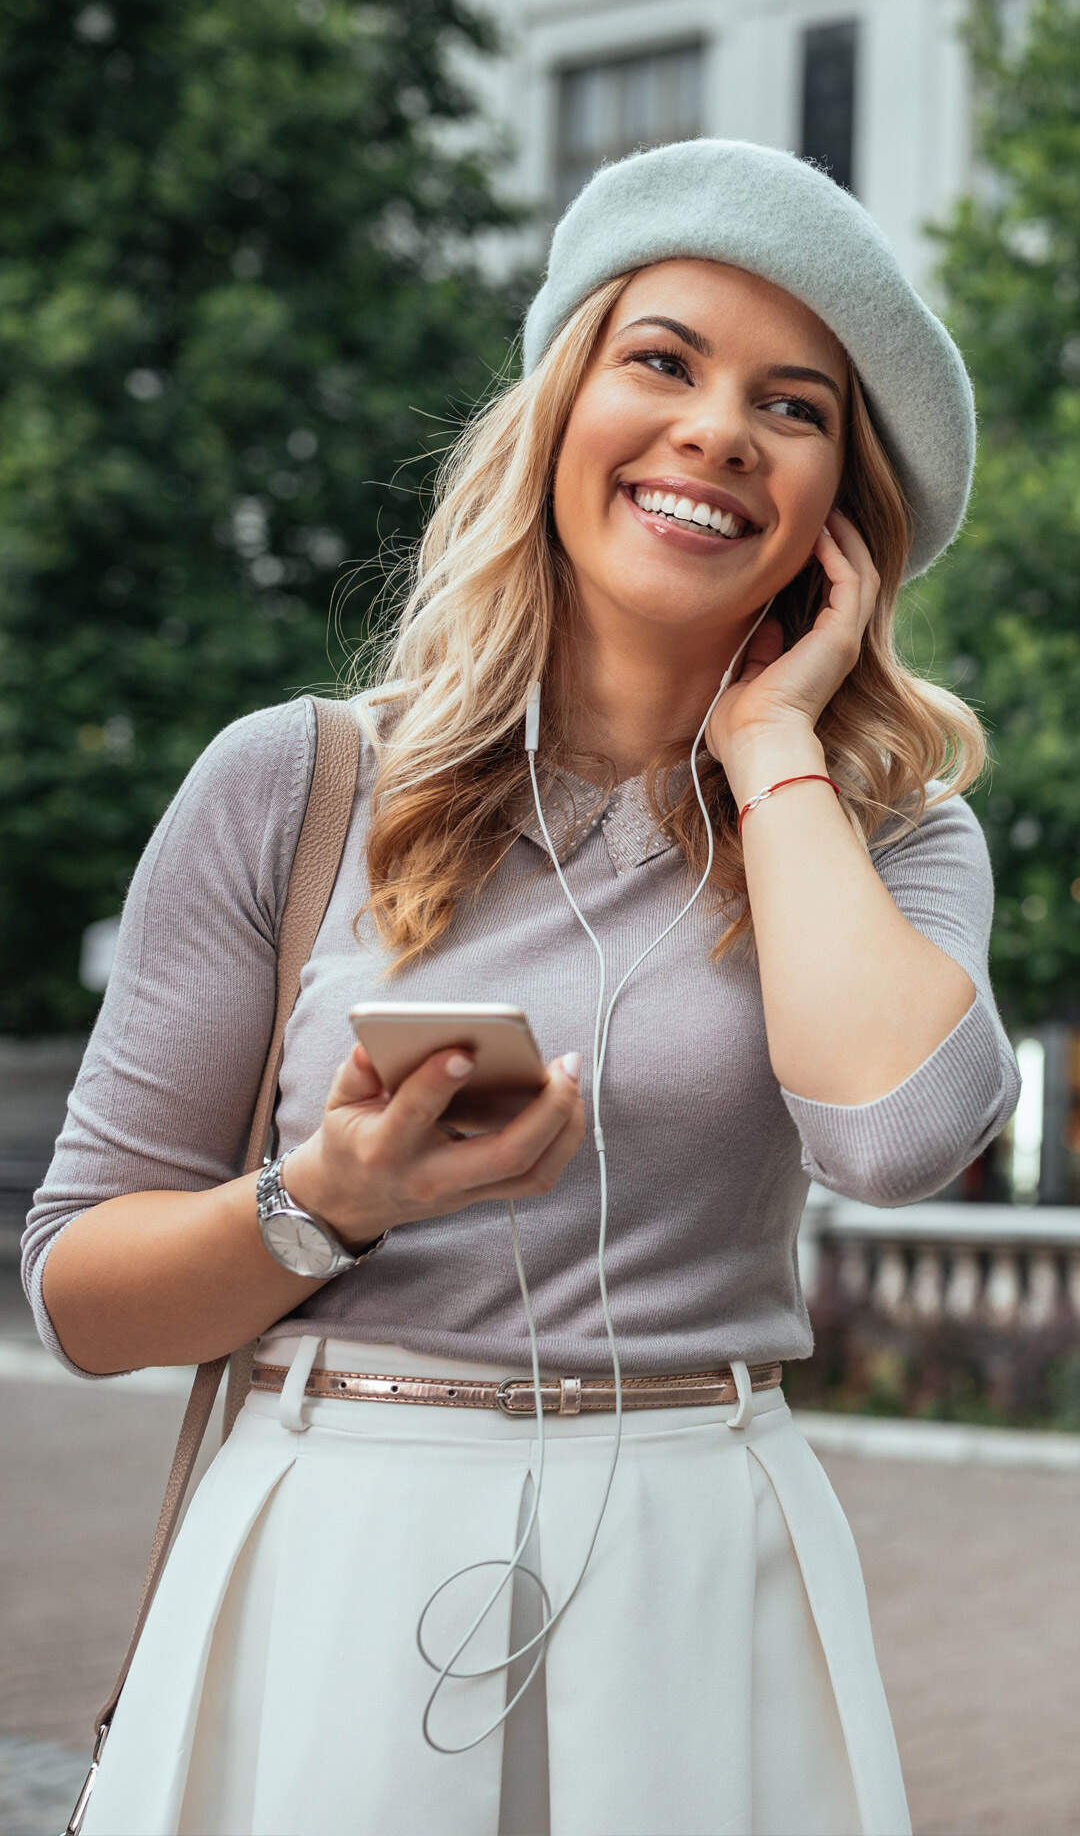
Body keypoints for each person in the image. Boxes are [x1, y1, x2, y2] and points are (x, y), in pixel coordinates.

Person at [22, 138, 1021, 1836]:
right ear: (561, 410)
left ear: (842, 520)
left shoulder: (885, 841)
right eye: (664, 361)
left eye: (795, 407)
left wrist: (773, 744)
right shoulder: (294, 784)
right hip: (334, 1553)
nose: (716, 428)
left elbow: (899, 1134)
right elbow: (80, 1297)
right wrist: (323, 1202)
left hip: (705, 1569)